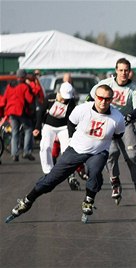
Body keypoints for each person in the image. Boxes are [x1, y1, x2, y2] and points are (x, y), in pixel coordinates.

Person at [6, 85, 125, 223]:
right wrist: (72, 138)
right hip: (76, 149)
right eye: (100, 98)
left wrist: (102, 143)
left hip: (98, 152)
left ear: (111, 99)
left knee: (95, 171)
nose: (103, 102)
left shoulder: (117, 117)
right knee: (51, 180)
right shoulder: (82, 109)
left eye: (107, 99)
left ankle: (89, 199)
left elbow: (118, 135)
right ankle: (27, 200)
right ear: (95, 97)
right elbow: (71, 122)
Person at [89, 58, 136, 205]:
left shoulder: (134, 87)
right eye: (121, 70)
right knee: (111, 153)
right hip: (108, 122)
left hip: (125, 122)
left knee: (132, 155)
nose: (124, 73)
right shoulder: (107, 83)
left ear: (130, 72)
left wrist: (130, 116)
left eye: (126, 70)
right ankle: (115, 183)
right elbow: (91, 96)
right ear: (116, 70)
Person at [33, 82, 78, 188]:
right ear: (59, 93)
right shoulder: (50, 98)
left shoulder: (71, 102)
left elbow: (73, 119)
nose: (64, 100)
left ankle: (70, 174)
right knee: (45, 147)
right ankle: (48, 173)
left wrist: (72, 135)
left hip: (64, 127)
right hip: (49, 126)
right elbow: (41, 113)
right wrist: (37, 127)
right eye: (63, 97)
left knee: (67, 150)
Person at [1, 69, 36, 161]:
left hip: (11, 111)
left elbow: (4, 100)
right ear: (24, 77)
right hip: (21, 112)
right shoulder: (25, 86)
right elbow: (30, 100)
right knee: (28, 129)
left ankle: (14, 154)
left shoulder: (10, 86)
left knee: (14, 132)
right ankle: (26, 151)